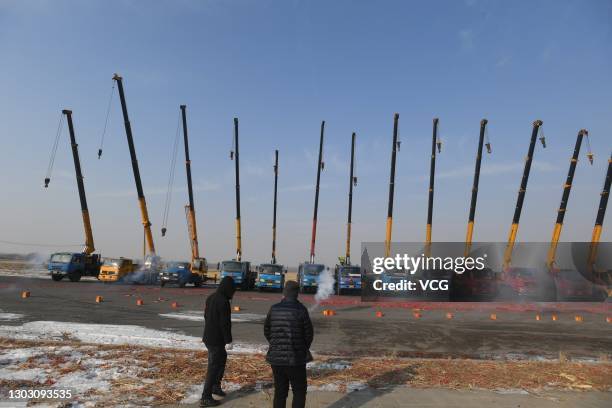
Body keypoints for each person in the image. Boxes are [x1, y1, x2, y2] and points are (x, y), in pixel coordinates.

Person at [264, 280, 314, 408]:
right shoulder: (301, 310)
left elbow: (267, 330)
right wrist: (301, 348)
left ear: (285, 293)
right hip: (296, 359)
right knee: (299, 391)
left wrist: (276, 344)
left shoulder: (274, 309)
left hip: (276, 359)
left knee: (280, 392)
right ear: (297, 294)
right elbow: (309, 334)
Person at [201, 276, 236, 407]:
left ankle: (216, 386)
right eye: (232, 290)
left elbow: (205, 315)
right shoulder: (223, 302)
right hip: (216, 339)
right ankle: (205, 397)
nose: (233, 294)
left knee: (221, 360)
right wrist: (229, 340)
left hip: (209, 337)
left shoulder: (211, 297)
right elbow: (225, 323)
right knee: (214, 366)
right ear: (228, 289)